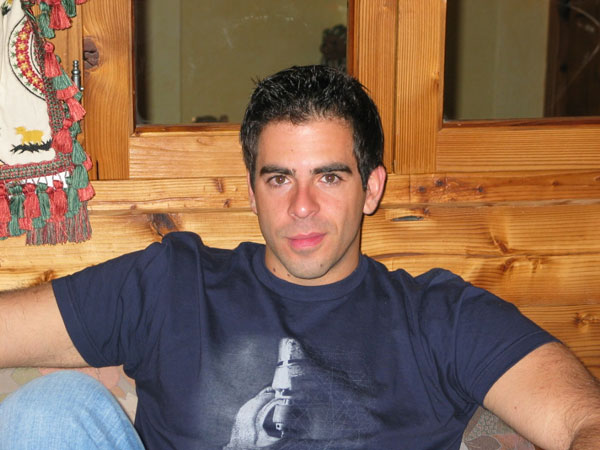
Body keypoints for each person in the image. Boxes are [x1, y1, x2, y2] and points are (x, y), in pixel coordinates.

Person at [0, 65, 599, 450]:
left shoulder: (439, 317)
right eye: (279, 178)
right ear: (252, 190)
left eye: (330, 177)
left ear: (371, 188)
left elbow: (582, 419)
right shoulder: (172, 283)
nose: (303, 206)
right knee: (50, 410)